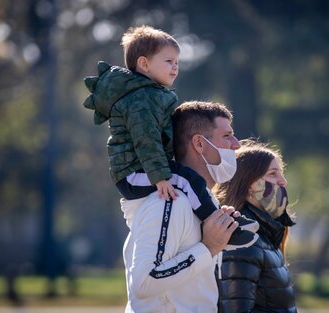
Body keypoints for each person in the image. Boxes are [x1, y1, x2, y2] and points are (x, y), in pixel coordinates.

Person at [82, 25, 257, 249]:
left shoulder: (151, 95)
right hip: (134, 173)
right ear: (144, 64)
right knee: (188, 180)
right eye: (168, 62)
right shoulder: (140, 99)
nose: (175, 68)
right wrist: (160, 176)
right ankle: (220, 228)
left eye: (177, 63)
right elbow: (146, 140)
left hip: (145, 169)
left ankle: (222, 220)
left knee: (188, 180)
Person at [120, 101, 248, 312]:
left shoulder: (203, 202)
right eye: (227, 136)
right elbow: (143, 282)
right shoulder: (171, 200)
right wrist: (209, 248)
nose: (237, 144)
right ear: (199, 143)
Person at [215, 139, 298, 313]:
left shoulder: (266, 234)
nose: (283, 181)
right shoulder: (242, 238)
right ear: (248, 186)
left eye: (281, 173)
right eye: (273, 174)